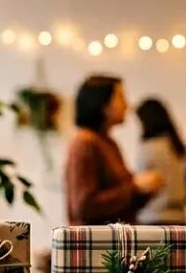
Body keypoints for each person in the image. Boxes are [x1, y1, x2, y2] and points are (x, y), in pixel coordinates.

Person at [65, 75, 162, 225]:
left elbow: (123, 206)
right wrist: (134, 187)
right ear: (102, 104)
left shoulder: (108, 142)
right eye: (121, 98)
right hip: (94, 238)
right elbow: (84, 206)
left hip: (114, 235)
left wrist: (145, 190)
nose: (127, 106)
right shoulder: (84, 142)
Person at [135, 98, 186, 225]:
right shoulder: (179, 148)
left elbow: (140, 186)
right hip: (179, 217)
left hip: (153, 216)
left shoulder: (148, 148)